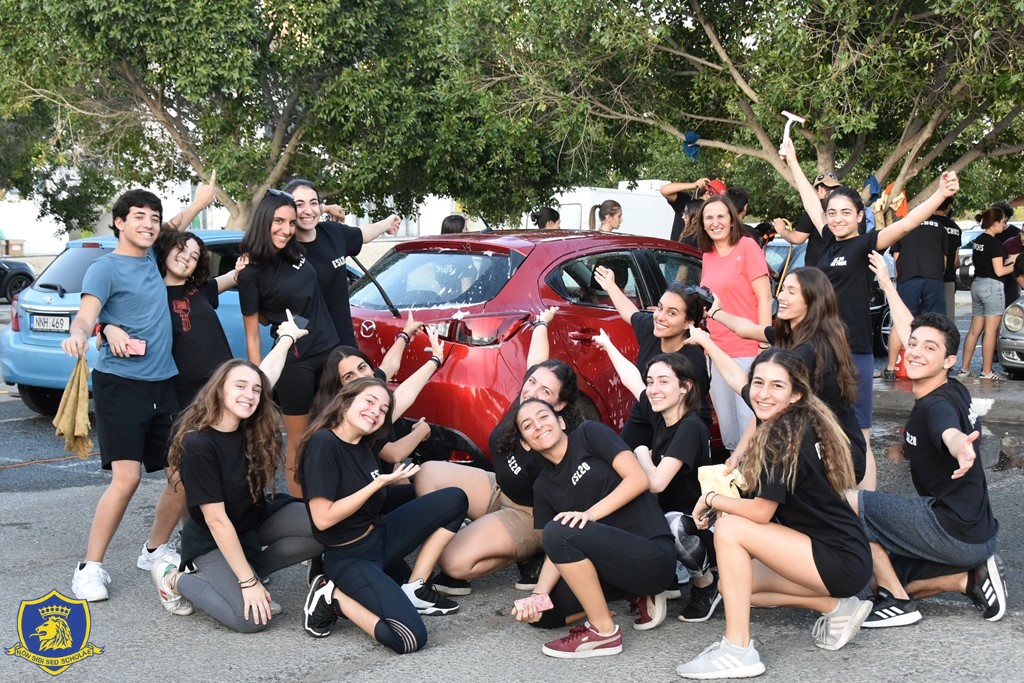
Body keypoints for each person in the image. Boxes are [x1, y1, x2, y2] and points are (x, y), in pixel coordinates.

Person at [675, 346, 872, 679]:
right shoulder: (796, 421)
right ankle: (837, 608)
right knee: (733, 587)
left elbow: (762, 513)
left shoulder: (782, 434)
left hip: (838, 557)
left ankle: (738, 650)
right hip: (836, 553)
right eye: (758, 383)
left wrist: (710, 499)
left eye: (776, 386)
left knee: (731, 529)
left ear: (795, 393)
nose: (763, 393)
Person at [780, 137, 960, 490]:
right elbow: (807, 198)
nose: (837, 218)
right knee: (821, 424)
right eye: (832, 212)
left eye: (846, 212)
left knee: (858, 430)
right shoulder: (828, 241)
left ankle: (868, 502)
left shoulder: (864, 243)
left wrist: (938, 196)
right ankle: (835, 496)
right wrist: (794, 162)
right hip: (818, 346)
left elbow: (905, 226)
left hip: (852, 349)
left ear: (860, 217)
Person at [847, 252, 1005, 627]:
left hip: (952, 530)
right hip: (974, 531)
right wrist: (887, 283)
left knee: (849, 504)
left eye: (928, 349)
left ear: (949, 360)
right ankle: (970, 578)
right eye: (912, 345)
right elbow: (910, 329)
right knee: (877, 579)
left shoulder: (937, 408)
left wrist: (958, 445)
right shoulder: (953, 388)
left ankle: (900, 605)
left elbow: (947, 429)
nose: (915, 352)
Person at [151, 317, 321, 631]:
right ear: (218, 392)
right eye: (240, 387)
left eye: (255, 390)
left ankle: (249, 573)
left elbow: (264, 375)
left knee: (326, 524)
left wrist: (287, 337)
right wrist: (247, 584)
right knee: (248, 621)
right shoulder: (198, 444)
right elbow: (216, 520)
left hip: (252, 521)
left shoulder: (247, 422)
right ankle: (173, 579)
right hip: (211, 539)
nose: (250, 394)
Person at [61, 189, 185, 602]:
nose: (148, 224)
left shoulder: (152, 255)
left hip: (163, 382)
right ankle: (89, 568)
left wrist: (201, 203)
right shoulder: (104, 268)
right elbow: (85, 314)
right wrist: (83, 334)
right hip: (121, 385)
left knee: (184, 474)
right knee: (127, 478)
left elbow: (176, 224)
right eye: (138, 216)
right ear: (119, 222)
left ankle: (154, 550)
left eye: (154, 217)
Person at [297, 377, 469, 653]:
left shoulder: (367, 441)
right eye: (369, 402)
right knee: (410, 638)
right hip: (350, 557)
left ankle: (416, 586)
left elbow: (397, 452)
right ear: (345, 402)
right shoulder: (323, 445)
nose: (376, 412)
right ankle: (333, 598)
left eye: (382, 409)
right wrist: (376, 484)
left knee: (454, 499)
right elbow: (322, 518)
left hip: (379, 535)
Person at [413, 307, 577, 594]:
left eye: (545, 393)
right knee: (427, 473)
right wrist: (541, 323)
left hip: (529, 516)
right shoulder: (527, 399)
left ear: (560, 406)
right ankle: (473, 531)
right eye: (532, 382)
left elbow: (574, 502)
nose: (532, 391)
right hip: (500, 488)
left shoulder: (554, 438)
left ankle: (530, 555)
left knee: (452, 562)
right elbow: (537, 359)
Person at [510, 399, 676, 659]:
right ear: (525, 443)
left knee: (559, 529)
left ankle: (603, 631)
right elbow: (556, 549)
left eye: (543, 417)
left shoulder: (589, 434)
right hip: (612, 570)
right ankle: (632, 596)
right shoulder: (543, 487)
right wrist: (537, 596)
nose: (538, 426)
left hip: (651, 555)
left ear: (561, 421)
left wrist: (589, 515)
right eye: (528, 426)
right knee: (544, 614)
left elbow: (639, 479)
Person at [590, 337, 718, 622]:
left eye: (663, 382)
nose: (653, 389)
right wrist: (609, 344)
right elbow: (630, 380)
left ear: (684, 388)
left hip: (699, 526)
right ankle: (658, 580)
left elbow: (657, 482)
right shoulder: (663, 415)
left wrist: (641, 454)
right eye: (651, 382)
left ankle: (706, 584)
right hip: (667, 515)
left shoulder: (690, 427)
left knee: (675, 525)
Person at [705, 267, 867, 486]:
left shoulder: (806, 352)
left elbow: (756, 397)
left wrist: (705, 341)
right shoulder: (798, 337)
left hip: (835, 455)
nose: (781, 296)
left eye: (791, 291)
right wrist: (715, 312)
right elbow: (747, 329)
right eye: (782, 289)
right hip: (830, 446)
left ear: (812, 300)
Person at [238, 190, 339, 497]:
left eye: (291, 222)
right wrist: (258, 383)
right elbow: (253, 333)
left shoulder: (297, 252)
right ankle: (300, 512)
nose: (286, 229)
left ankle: (337, 501)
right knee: (299, 440)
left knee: (337, 432)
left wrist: (330, 207)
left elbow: (313, 219)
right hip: (296, 362)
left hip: (331, 351)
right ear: (263, 221)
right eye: (278, 221)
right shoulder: (250, 274)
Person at [591, 267, 712, 440]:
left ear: (688, 323)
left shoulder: (693, 361)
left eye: (672, 313)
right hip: (647, 408)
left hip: (682, 421)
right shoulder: (651, 329)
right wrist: (610, 285)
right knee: (622, 457)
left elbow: (686, 412)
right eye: (660, 308)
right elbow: (629, 313)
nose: (660, 317)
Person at [283, 178, 400, 347]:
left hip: (342, 339)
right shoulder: (283, 247)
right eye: (299, 204)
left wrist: (387, 223)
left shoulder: (333, 231)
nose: (308, 210)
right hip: (308, 346)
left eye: (313, 203)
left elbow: (362, 234)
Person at [697, 195, 772, 452]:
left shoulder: (747, 247)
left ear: (731, 219)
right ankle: (736, 487)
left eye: (720, 216)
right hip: (717, 352)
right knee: (729, 433)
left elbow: (765, 297)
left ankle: (757, 489)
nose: (715, 222)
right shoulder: (708, 255)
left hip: (748, 351)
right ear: (702, 223)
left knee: (750, 430)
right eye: (709, 218)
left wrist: (764, 344)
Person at [883, 198, 950, 380]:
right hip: (933, 277)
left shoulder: (903, 226)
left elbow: (897, 259)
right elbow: (944, 261)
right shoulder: (940, 227)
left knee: (900, 320)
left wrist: (901, 279)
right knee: (937, 323)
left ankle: (890, 368)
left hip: (908, 278)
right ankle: (938, 368)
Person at [958, 208, 1019, 379]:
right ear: (995, 223)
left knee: (973, 331)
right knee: (991, 332)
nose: (1004, 225)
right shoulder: (995, 243)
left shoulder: (978, 240)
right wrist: (1015, 264)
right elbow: (999, 271)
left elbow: (990, 264)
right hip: (992, 288)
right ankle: (986, 371)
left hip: (977, 285)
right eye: (1003, 222)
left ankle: (964, 369)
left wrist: (1008, 260)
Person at [774, 171, 840, 266]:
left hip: (817, 272)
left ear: (819, 190)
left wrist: (782, 230)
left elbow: (797, 238)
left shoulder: (815, 210)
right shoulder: (846, 210)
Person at [934, 198, 962, 322]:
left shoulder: (927, 223)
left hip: (928, 276)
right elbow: (956, 261)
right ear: (949, 206)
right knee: (947, 319)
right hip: (949, 277)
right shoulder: (955, 228)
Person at [661, 177, 710, 242]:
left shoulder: (712, 214)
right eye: (708, 192)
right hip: (676, 249)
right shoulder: (687, 201)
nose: (707, 195)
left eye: (712, 194)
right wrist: (693, 185)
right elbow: (664, 190)